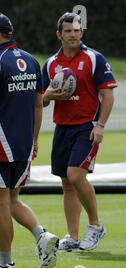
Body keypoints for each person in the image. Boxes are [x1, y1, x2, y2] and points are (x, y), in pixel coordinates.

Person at [0, 13, 59, 268]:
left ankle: (6, 266)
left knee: (1, 204)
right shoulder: (31, 60)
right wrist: (35, 139)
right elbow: (38, 104)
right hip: (24, 144)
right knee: (13, 199)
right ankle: (42, 235)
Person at [42, 12, 117, 252]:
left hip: (87, 126)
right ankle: (72, 236)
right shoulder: (51, 63)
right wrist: (48, 96)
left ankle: (95, 226)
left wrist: (100, 125)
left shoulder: (94, 58)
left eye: (76, 30)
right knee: (66, 183)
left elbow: (108, 94)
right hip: (62, 127)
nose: (73, 35)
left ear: (81, 32)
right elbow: (41, 100)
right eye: (68, 31)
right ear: (59, 34)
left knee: (76, 175)